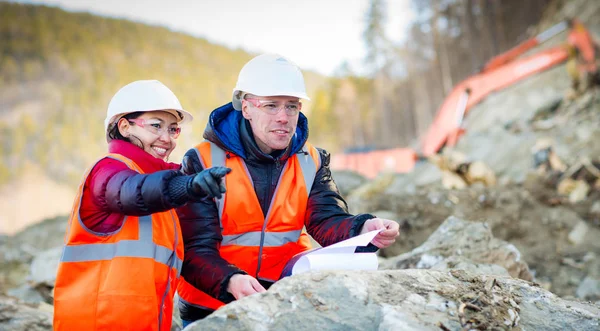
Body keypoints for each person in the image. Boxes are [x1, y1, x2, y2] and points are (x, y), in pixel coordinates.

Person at [176, 54, 400, 326]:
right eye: (271, 106)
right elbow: (194, 248)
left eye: (292, 106)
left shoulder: (312, 160)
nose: (283, 117)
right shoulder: (201, 161)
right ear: (245, 107)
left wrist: (364, 229)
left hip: (285, 300)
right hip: (211, 307)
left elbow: (326, 219)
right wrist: (230, 280)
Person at [53, 80, 230, 331]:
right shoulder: (107, 169)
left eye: (173, 129)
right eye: (156, 126)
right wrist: (187, 186)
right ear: (124, 126)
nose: (166, 138)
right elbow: (131, 191)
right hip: (97, 323)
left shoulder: (168, 183)